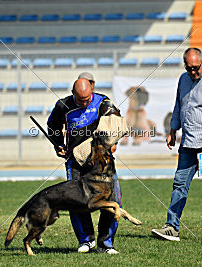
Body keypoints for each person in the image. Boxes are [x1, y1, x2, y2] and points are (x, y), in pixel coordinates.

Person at [151, 48, 202, 241]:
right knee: (179, 184)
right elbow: (179, 105)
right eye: (189, 68)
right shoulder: (183, 79)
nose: (193, 72)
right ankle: (172, 227)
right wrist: (173, 130)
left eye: (196, 68)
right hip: (188, 143)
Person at [47, 73, 122, 254]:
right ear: (72, 92)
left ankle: (105, 244)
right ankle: (85, 241)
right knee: (77, 202)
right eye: (80, 100)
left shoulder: (104, 102)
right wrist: (58, 145)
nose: (84, 103)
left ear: (92, 91)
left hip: (102, 162)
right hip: (75, 162)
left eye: (87, 99)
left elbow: (116, 124)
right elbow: (53, 128)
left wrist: (114, 143)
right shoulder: (63, 106)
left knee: (113, 199)